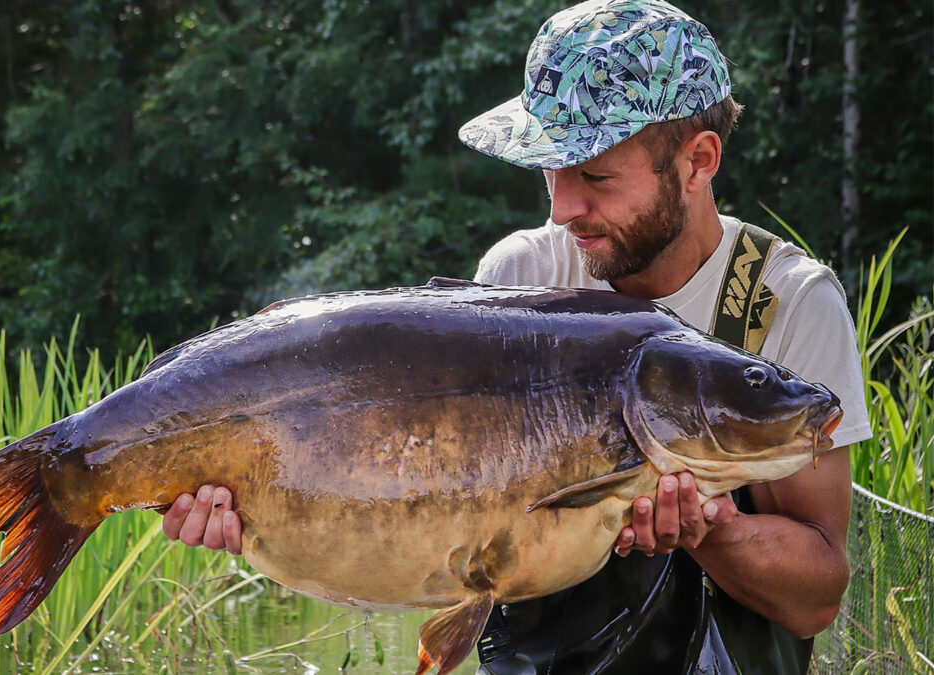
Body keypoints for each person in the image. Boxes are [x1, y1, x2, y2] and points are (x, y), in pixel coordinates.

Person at [162, 1, 872, 672]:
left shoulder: (787, 304)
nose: (564, 208)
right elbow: (441, 524)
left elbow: (818, 594)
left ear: (698, 161)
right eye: (549, 170)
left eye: (595, 174)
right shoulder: (521, 274)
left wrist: (707, 527)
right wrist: (261, 512)